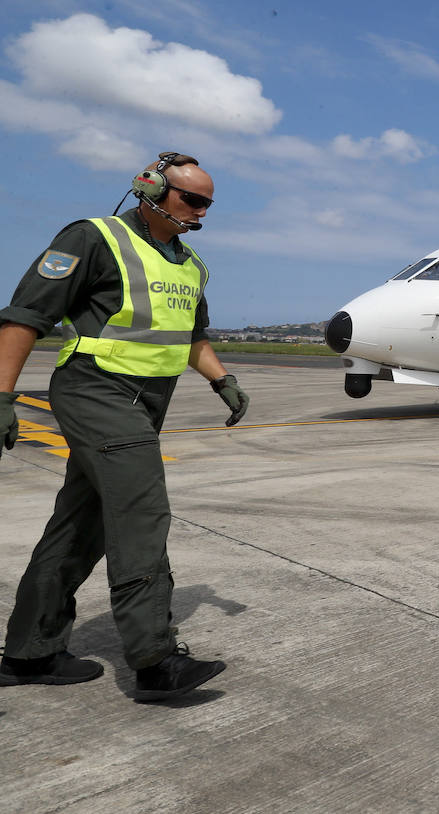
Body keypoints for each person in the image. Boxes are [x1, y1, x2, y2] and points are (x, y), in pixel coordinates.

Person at [0, 151, 247, 702]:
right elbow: (25, 316)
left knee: (80, 524)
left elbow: (192, 337)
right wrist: (2, 394)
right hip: (96, 389)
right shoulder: (94, 238)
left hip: (148, 401)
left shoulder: (188, 263)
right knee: (141, 511)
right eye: (193, 199)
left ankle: (28, 652)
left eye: (209, 202)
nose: (203, 211)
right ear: (151, 189)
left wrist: (221, 379)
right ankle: (155, 661)